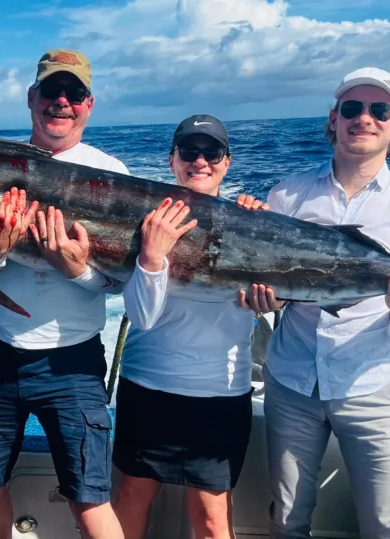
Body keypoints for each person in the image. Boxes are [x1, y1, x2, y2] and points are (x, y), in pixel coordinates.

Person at [237, 67, 390, 539]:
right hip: (291, 383)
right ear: (333, 120)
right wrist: (261, 302)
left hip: (371, 383)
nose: (363, 118)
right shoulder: (286, 194)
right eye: (352, 108)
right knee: (288, 520)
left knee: (387, 524)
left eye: (379, 110)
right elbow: (267, 287)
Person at [0, 49, 130, 539]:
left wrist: (78, 271)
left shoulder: (111, 172)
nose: (62, 102)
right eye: (52, 92)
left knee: (90, 499)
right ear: (31, 98)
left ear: (89, 104)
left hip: (72, 364)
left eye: (73, 94)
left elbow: (122, 277)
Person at [110, 115, 268, 539]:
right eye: (189, 152)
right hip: (149, 383)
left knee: (213, 518)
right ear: (172, 160)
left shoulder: (255, 222)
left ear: (227, 162)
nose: (200, 161)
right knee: (130, 497)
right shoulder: (144, 220)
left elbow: (282, 292)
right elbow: (141, 315)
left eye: (211, 152)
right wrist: (152, 256)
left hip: (220, 390)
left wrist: (270, 301)